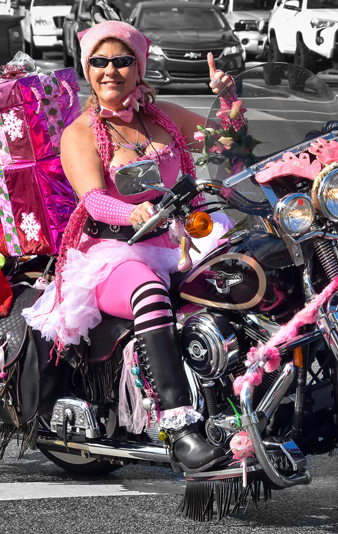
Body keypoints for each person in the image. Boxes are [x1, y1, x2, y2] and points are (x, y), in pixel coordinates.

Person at [23, 21, 242, 473]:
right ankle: (181, 429)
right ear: (87, 69)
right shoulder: (81, 132)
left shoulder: (165, 119)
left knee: (245, 276)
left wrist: (226, 99)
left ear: (139, 68)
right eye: (99, 61)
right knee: (149, 294)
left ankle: (242, 404)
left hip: (181, 241)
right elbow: (93, 199)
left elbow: (228, 144)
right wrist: (132, 213)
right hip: (115, 253)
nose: (110, 70)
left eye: (122, 60)